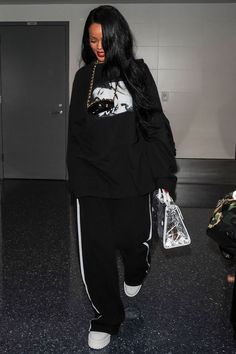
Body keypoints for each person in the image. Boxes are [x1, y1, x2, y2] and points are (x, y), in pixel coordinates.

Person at [67, 5, 177, 350]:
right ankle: (106, 317)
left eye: (105, 39)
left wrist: (164, 177)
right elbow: (76, 132)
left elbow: (154, 124)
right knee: (96, 253)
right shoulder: (83, 78)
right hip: (93, 182)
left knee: (134, 239)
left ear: (119, 37)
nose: (98, 45)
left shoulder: (137, 72)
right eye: (92, 38)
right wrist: (77, 181)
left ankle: (137, 266)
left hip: (133, 178)